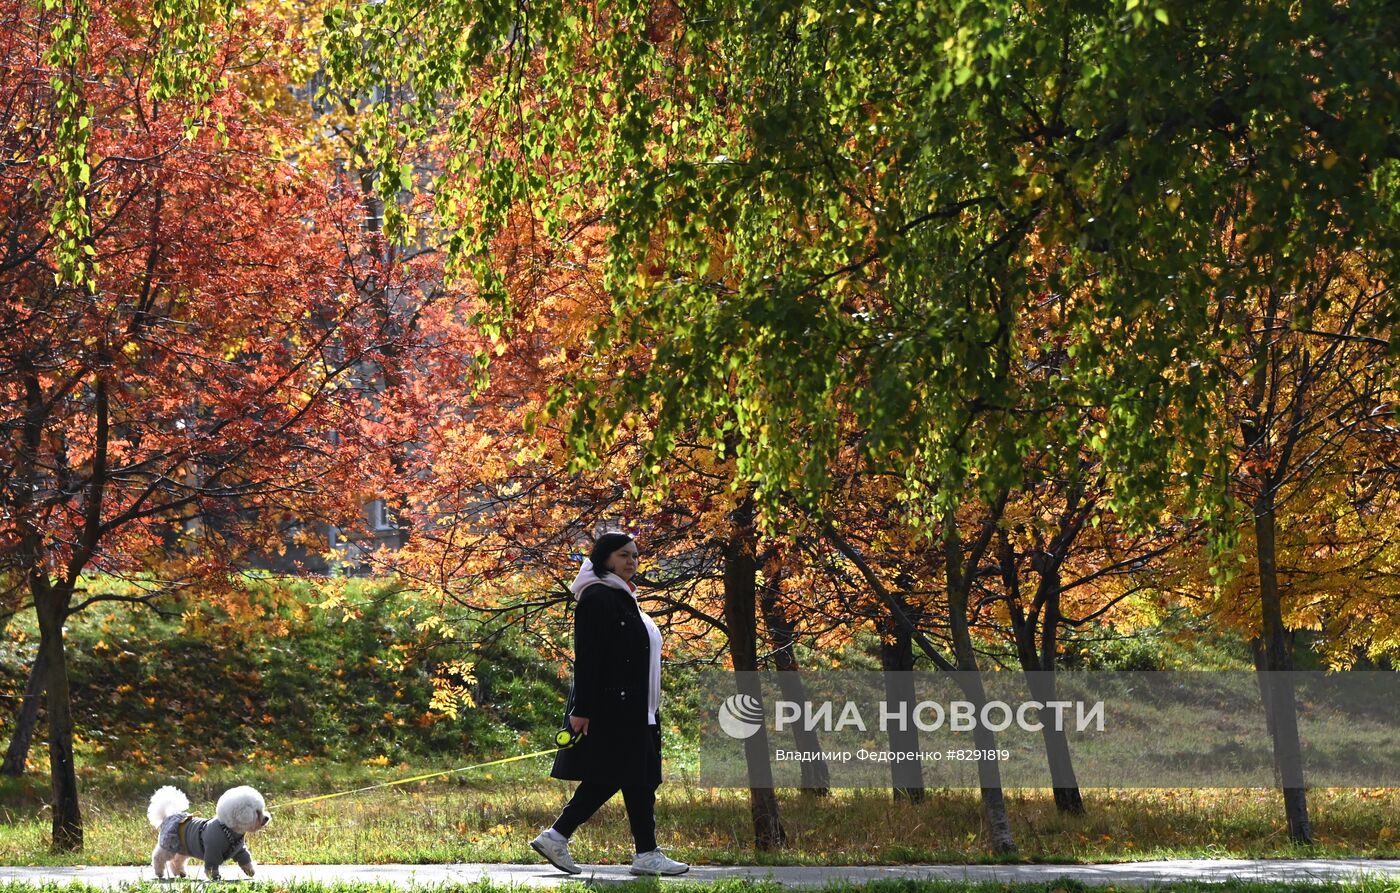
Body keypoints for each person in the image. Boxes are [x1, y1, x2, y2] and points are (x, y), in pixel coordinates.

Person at [529, 532, 689, 876]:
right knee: (620, 775)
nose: (632, 560)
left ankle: (643, 853)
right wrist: (582, 709)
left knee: (638, 778)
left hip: (638, 708)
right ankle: (561, 836)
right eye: (623, 555)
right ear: (605, 559)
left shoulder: (623, 597)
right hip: (613, 707)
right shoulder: (598, 597)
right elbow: (588, 656)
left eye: (634, 555)